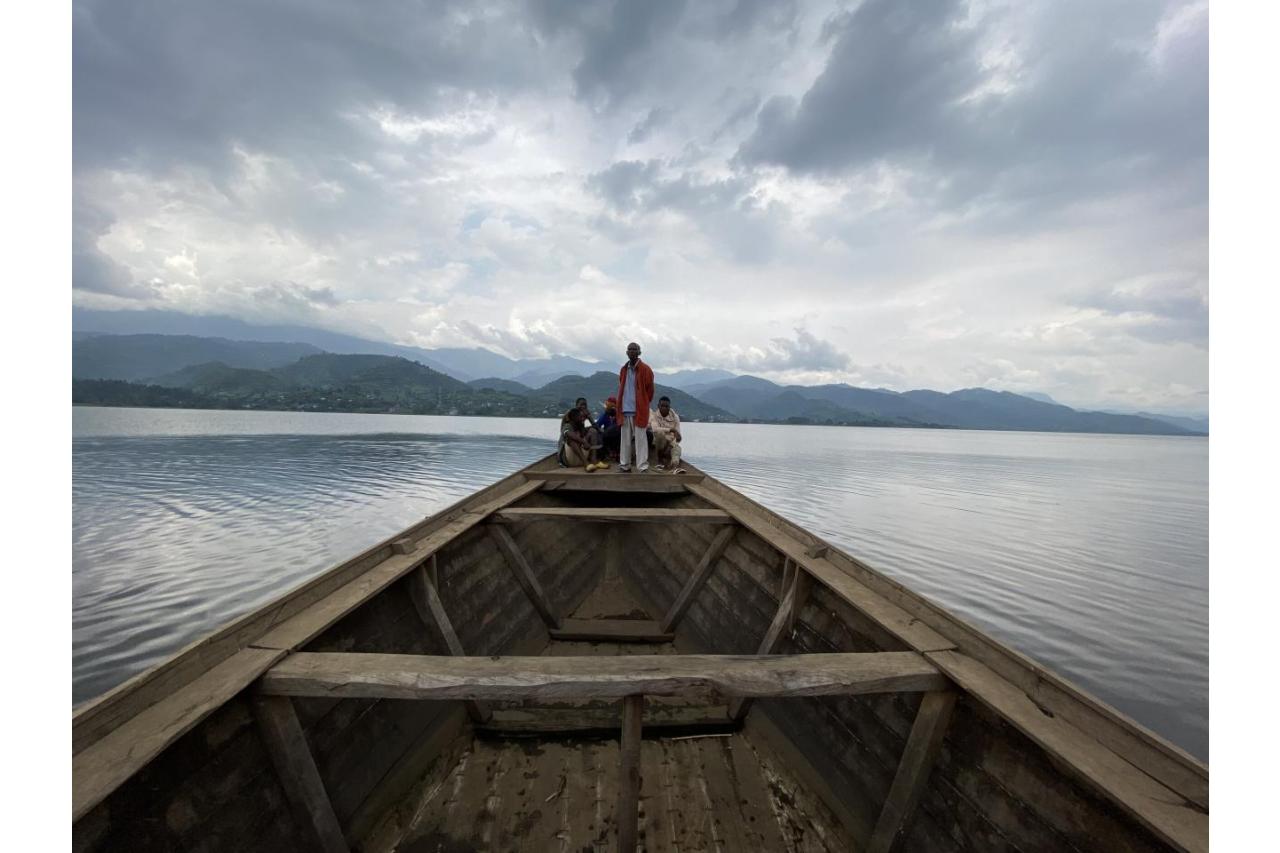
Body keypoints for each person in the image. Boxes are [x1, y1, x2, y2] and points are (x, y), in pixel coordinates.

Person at [616, 342, 654, 472]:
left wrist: (643, 403)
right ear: (626, 352)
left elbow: (650, 391)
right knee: (625, 440)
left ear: (639, 352)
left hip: (639, 410)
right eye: (629, 349)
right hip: (625, 409)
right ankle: (625, 465)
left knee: (640, 440)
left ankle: (642, 466)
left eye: (634, 349)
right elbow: (621, 386)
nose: (631, 351)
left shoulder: (645, 369)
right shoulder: (623, 369)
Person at [649, 395, 682, 471]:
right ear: (658, 406)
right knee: (660, 434)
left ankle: (674, 465)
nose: (664, 408)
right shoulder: (654, 415)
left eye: (666, 406)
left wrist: (671, 446)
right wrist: (671, 430)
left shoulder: (675, 417)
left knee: (677, 448)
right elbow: (655, 429)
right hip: (658, 443)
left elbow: (678, 437)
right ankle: (659, 460)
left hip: (670, 443)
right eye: (662, 406)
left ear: (669, 407)